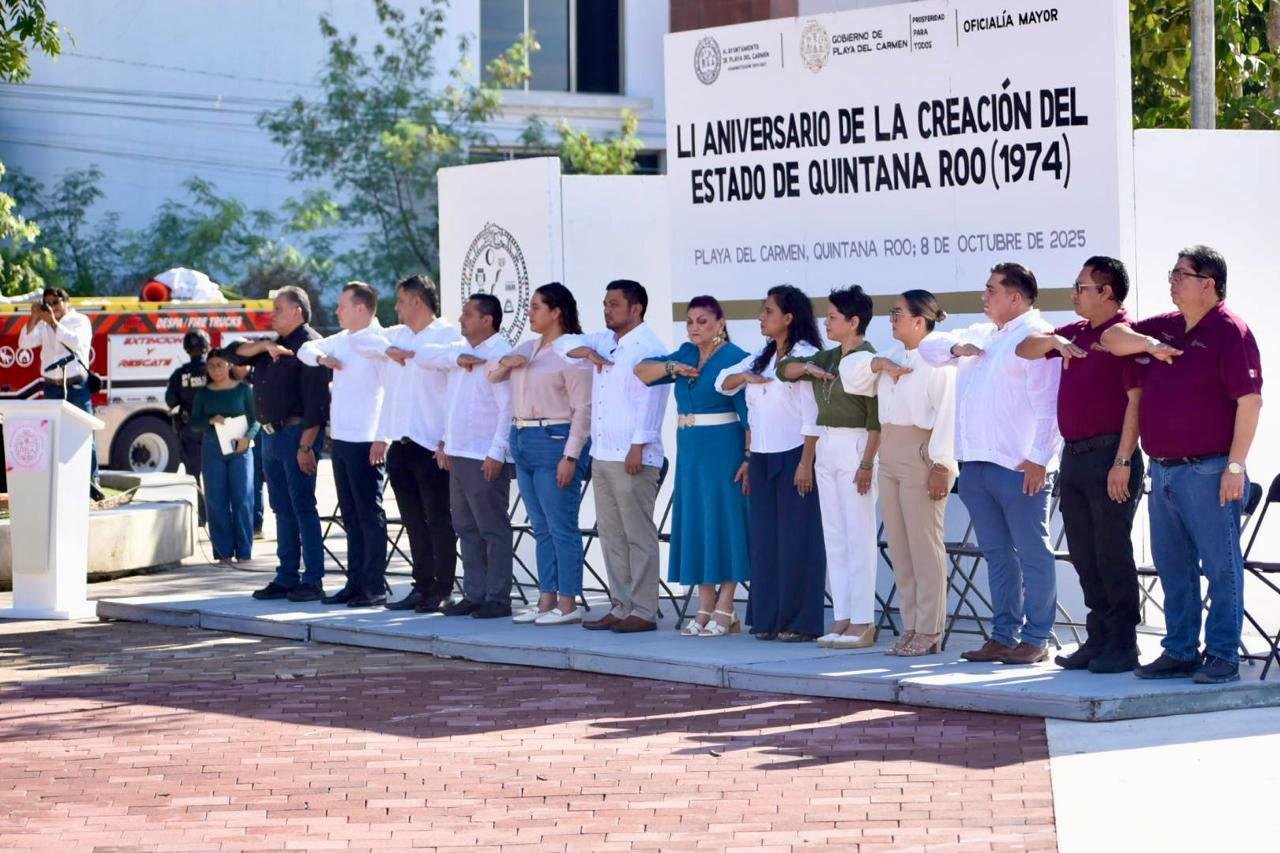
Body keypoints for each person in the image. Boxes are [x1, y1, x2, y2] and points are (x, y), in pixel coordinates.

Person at [1101, 245, 1263, 684]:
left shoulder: (1231, 332)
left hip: (1210, 471)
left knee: (1221, 567)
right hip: (1164, 470)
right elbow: (1111, 338)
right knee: (1174, 566)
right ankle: (1180, 650)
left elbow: (1250, 402)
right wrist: (1149, 344)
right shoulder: (1167, 326)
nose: (1172, 281)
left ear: (1208, 284)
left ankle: (1223, 654)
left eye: (1180, 274)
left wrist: (1235, 467)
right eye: (1172, 274)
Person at [919, 263, 1063, 665]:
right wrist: (955, 349)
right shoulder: (981, 334)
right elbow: (929, 347)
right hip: (977, 466)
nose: (984, 296)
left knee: (1032, 553)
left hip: (1019, 467)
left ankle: (1036, 637)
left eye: (991, 290)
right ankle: (1003, 636)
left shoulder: (1037, 336)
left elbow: (1049, 406)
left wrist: (1040, 459)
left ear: (1015, 297)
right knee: (998, 554)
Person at [1016, 257, 1145, 674]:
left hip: (1111, 456)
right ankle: (1098, 638)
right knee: (1084, 554)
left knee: (1111, 552)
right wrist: (1054, 342)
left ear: (1106, 291)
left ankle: (1123, 643)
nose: (1073, 294)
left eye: (1081, 286)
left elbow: (1136, 403)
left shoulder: (1123, 336)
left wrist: (1123, 460)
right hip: (1074, 456)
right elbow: (1024, 349)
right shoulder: (1075, 332)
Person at [836, 290, 955, 656]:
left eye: (898, 313)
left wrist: (942, 464)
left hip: (921, 453)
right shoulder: (891, 357)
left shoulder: (939, 361)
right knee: (901, 549)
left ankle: (930, 629)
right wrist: (878, 365)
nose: (892, 319)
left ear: (919, 320)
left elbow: (949, 414)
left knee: (924, 545)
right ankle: (912, 626)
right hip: (889, 453)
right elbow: (849, 374)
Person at [779, 286, 890, 650]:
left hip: (857, 446)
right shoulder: (826, 358)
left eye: (833, 317)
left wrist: (867, 463)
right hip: (827, 445)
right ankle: (842, 616)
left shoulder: (869, 359)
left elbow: (876, 420)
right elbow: (783, 370)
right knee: (835, 535)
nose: (826, 323)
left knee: (859, 536)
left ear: (854, 321)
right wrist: (807, 367)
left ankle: (863, 620)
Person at [635, 296, 750, 637]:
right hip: (691, 450)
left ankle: (726, 606)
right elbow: (642, 371)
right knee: (698, 521)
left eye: (702, 321)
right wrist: (673, 368)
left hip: (723, 448)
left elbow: (749, 414)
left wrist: (748, 457)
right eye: (690, 321)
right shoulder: (685, 353)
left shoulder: (735, 357)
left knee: (725, 522)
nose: (695, 327)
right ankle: (704, 604)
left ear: (720, 323)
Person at [561, 280, 670, 634]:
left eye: (614, 304)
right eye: (605, 303)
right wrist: (587, 353)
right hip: (603, 452)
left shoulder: (648, 347)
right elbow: (563, 343)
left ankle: (644, 610)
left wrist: (639, 445)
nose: (607, 309)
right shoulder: (605, 340)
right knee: (611, 535)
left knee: (637, 534)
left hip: (633, 454)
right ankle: (621, 605)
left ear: (635, 308)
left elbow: (652, 401)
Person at [718, 285, 825, 643]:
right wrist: (745, 377)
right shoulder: (761, 357)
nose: (761, 317)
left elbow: (812, 415)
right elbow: (722, 382)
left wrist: (806, 462)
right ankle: (767, 617)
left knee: (797, 539)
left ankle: (800, 621)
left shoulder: (806, 356)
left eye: (768, 311)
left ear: (789, 317)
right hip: (762, 457)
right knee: (765, 539)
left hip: (795, 455)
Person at [400, 293, 513, 619]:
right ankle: (475, 594)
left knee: (492, 528)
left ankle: (498, 598)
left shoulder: (499, 353)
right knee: (465, 526)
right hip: (458, 451)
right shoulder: (461, 350)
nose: (461, 319)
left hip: (483, 454)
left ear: (487, 320)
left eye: (468, 314)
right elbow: (423, 356)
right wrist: (446, 442)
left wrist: (497, 452)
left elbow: (507, 409)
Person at [488, 283, 592, 626]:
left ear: (556, 312)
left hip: (554, 437)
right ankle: (546, 599)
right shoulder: (528, 348)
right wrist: (507, 361)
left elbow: (583, 409)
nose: (529, 313)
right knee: (541, 526)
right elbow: (492, 375)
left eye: (535, 307)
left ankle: (568, 602)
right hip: (522, 437)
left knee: (561, 525)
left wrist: (571, 456)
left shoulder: (572, 352)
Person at [371, 275, 462, 614]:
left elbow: (455, 389)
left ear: (416, 301)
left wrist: (447, 438)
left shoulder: (448, 335)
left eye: (400, 300)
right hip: (402, 442)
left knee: (438, 519)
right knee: (412, 520)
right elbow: (365, 340)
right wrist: (388, 350)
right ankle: (421, 585)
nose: (396, 307)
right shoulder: (398, 336)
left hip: (432, 443)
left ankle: (443, 587)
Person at [298, 282, 392, 608]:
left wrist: (382, 437)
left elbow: (390, 394)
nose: (337, 311)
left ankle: (374, 585)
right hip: (341, 439)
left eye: (342, 306)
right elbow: (305, 350)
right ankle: (355, 583)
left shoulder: (379, 342)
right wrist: (323, 358)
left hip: (367, 440)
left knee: (369, 514)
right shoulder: (341, 340)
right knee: (350, 515)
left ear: (361, 308)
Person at [236, 286, 331, 602]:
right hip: (270, 434)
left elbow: (317, 402)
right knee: (281, 509)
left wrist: (306, 446)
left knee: (302, 506)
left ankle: (313, 579)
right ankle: (287, 576)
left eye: (278, 309)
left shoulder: (310, 345)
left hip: (296, 434)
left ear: (297, 311)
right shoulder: (273, 344)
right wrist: (265, 345)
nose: (272, 314)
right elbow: (232, 354)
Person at [18, 287, 102, 497]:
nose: (52, 307)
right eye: (48, 303)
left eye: (56, 302)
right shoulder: (44, 323)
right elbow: (24, 343)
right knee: (53, 435)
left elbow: (76, 342)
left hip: (76, 386)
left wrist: (54, 324)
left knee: (84, 434)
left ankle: (93, 482)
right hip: (51, 386)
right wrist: (34, 317)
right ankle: (59, 482)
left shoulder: (80, 320)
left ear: (67, 302)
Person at [189, 348, 258, 564]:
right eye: (211, 366)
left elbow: (256, 419)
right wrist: (210, 420)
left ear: (229, 365)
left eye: (219, 365)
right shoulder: (203, 394)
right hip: (213, 448)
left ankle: (244, 551)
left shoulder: (244, 390)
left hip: (240, 449)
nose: (216, 370)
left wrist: (247, 438)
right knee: (216, 500)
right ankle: (223, 552)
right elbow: (194, 424)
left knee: (242, 499)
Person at [166, 330, 210, 523]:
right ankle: (217, 515)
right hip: (212, 428)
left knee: (194, 474)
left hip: (189, 428)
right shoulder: (214, 370)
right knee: (215, 473)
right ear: (206, 347)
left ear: (186, 349)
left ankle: (202, 516)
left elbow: (170, 400)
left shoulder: (179, 374)